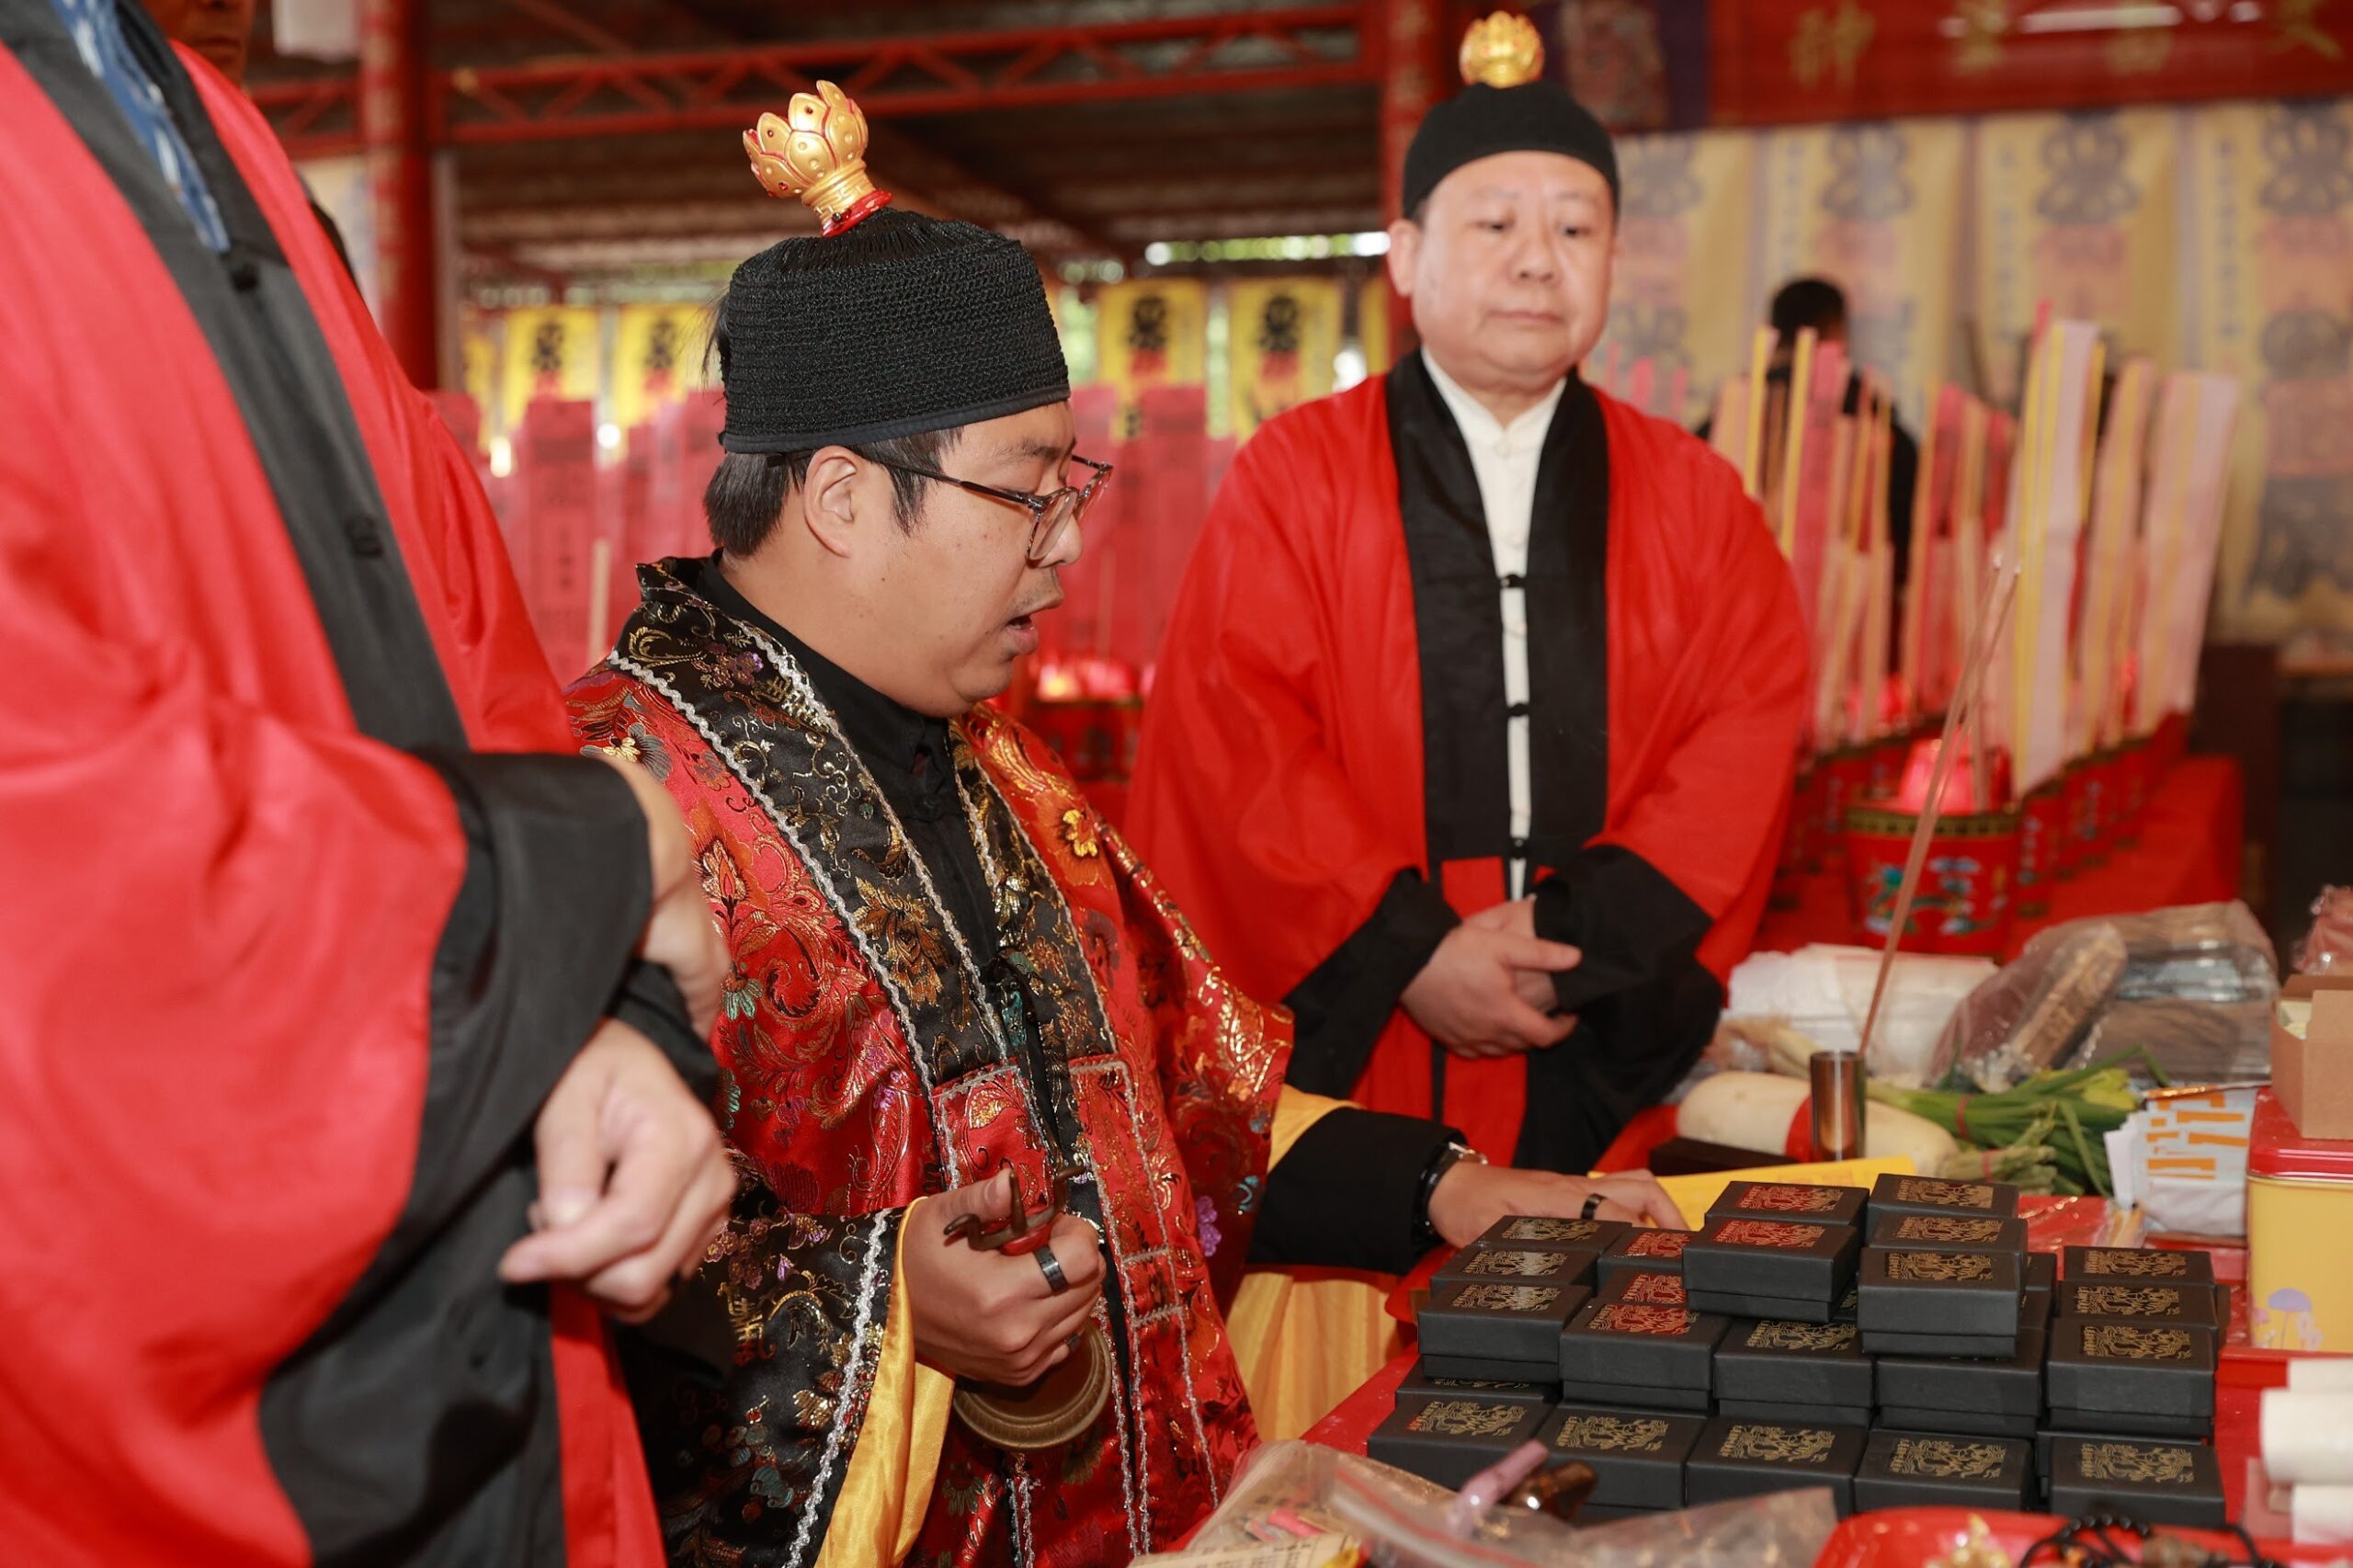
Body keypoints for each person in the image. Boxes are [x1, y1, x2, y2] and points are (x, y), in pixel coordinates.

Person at [566, 83, 1680, 1565]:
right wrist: (887, 1304)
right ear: (840, 496)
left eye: (1070, 482)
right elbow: (551, 1259)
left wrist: (1458, 1190)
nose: (1072, 541)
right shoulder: (613, 806)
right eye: (1029, 490)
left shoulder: (1007, 773)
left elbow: (1190, 1105)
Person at [0, 3, 734, 1562]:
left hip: (482, 1296)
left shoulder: (201, 120)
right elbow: (52, 851)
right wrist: (596, 863)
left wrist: (616, 1022)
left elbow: (474, 655)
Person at [1128, 15, 1809, 1177]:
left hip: (1596, 1020)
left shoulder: (1696, 494)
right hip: (1367, 1027)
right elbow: (1237, 739)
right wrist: (1412, 954)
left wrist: (1568, 937)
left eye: (1575, 227)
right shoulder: (1295, 475)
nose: (1538, 259)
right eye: (1495, 224)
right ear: (1404, 255)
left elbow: (1743, 737)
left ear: (1613, 258)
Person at [1702, 276, 1922, 584]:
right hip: (1846, 593)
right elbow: (1904, 524)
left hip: (1735, 585)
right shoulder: (1870, 416)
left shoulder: (1734, 409)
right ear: (1837, 330)